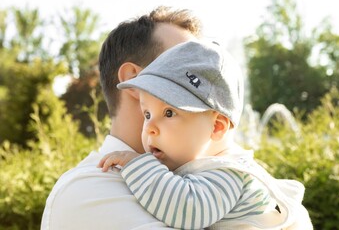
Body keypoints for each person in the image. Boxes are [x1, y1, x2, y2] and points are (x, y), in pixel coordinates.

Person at [97, 40, 313, 230]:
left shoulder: (227, 172)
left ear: (217, 127)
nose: (150, 127)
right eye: (147, 113)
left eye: (169, 112)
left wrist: (138, 167)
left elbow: (188, 210)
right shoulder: (205, 166)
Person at [41, 6, 202, 230]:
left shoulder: (198, 179)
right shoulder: (88, 192)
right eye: (186, 70)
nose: (206, 87)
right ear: (135, 81)